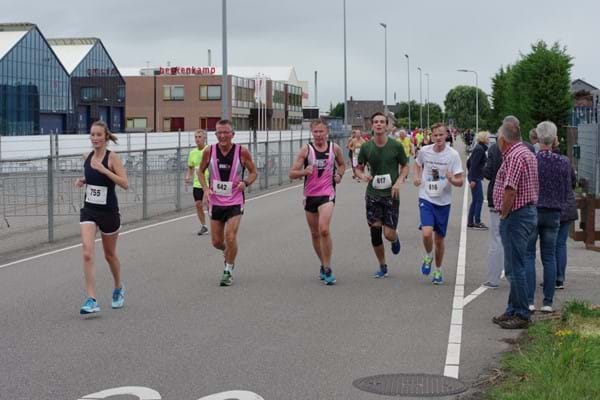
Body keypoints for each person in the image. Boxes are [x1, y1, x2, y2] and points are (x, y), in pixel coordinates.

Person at [75, 121, 129, 314]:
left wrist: (104, 170)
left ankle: (118, 287)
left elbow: (125, 183)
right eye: (92, 135)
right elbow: (93, 178)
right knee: (87, 252)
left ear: (106, 137)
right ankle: (91, 299)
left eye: (99, 135)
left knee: (109, 255)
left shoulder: (112, 158)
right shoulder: (87, 156)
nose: (95, 138)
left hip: (109, 212)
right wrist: (84, 180)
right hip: (89, 209)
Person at [199, 119, 257, 286]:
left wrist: (245, 183)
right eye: (219, 133)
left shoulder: (242, 152)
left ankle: (228, 269)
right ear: (215, 134)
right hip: (216, 201)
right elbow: (200, 172)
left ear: (233, 134)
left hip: (235, 201)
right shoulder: (209, 151)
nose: (223, 136)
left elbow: (254, 172)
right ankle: (228, 251)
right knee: (217, 242)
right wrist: (205, 189)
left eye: (226, 132)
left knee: (230, 236)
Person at [492, 120, 538, 329]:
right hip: (526, 213)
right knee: (515, 264)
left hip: (516, 216)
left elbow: (510, 189)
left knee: (514, 267)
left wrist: (503, 214)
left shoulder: (514, 156)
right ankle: (513, 308)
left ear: (503, 140)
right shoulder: (526, 152)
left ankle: (521, 313)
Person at [289, 118, 346, 285]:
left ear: (327, 132)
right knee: (315, 233)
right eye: (316, 131)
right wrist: (303, 172)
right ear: (312, 132)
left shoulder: (334, 148)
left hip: (327, 193)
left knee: (324, 230)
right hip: (310, 195)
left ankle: (328, 268)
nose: (319, 135)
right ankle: (323, 263)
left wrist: (339, 174)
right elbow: (292, 173)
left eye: (321, 131)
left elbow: (342, 165)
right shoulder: (306, 150)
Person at [524, 121, 571, 313]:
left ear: (538, 137)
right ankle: (548, 302)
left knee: (529, 255)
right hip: (553, 213)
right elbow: (566, 189)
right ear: (554, 139)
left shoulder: (532, 160)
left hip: (534, 210)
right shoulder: (563, 162)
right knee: (549, 257)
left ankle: (529, 300)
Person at [355, 112, 409, 278]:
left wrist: (399, 181)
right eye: (376, 122)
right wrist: (362, 175)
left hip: (391, 195)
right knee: (375, 231)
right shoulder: (366, 147)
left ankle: (394, 238)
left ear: (387, 126)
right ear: (372, 125)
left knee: (388, 234)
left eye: (382, 122)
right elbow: (358, 168)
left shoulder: (396, 146)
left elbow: (405, 166)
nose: (378, 124)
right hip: (373, 194)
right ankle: (382, 265)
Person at [413, 122, 464, 284]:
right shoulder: (425, 151)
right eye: (435, 135)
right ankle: (428, 256)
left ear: (446, 135)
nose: (438, 137)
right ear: (432, 136)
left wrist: (452, 179)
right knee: (427, 233)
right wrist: (417, 177)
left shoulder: (453, 155)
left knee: (439, 240)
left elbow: (460, 181)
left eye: (441, 134)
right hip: (426, 196)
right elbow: (417, 164)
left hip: (443, 201)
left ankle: (438, 270)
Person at [482, 138, 504, 288]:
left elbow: (488, 173)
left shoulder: (494, 149)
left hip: (497, 197)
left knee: (497, 237)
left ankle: (494, 279)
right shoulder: (526, 149)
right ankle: (516, 276)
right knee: (517, 239)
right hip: (520, 200)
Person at [185, 129, 209, 235]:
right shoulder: (192, 153)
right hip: (197, 183)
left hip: (209, 182)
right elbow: (191, 167)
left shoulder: (209, 150)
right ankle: (204, 226)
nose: (197, 139)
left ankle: (217, 223)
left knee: (209, 204)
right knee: (198, 204)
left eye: (200, 137)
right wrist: (188, 176)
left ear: (204, 138)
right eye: (196, 137)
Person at [467, 131, 489, 230]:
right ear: (484, 139)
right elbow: (473, 165)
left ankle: (471, 221)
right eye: (487, 137)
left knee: (475, 200)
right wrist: (472, 179)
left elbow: (469, 162)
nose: (488, 139)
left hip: (475, 176)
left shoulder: (479, 148)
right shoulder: (480, 149)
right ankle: (477, 221)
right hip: (475, 177)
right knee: (479, 199)